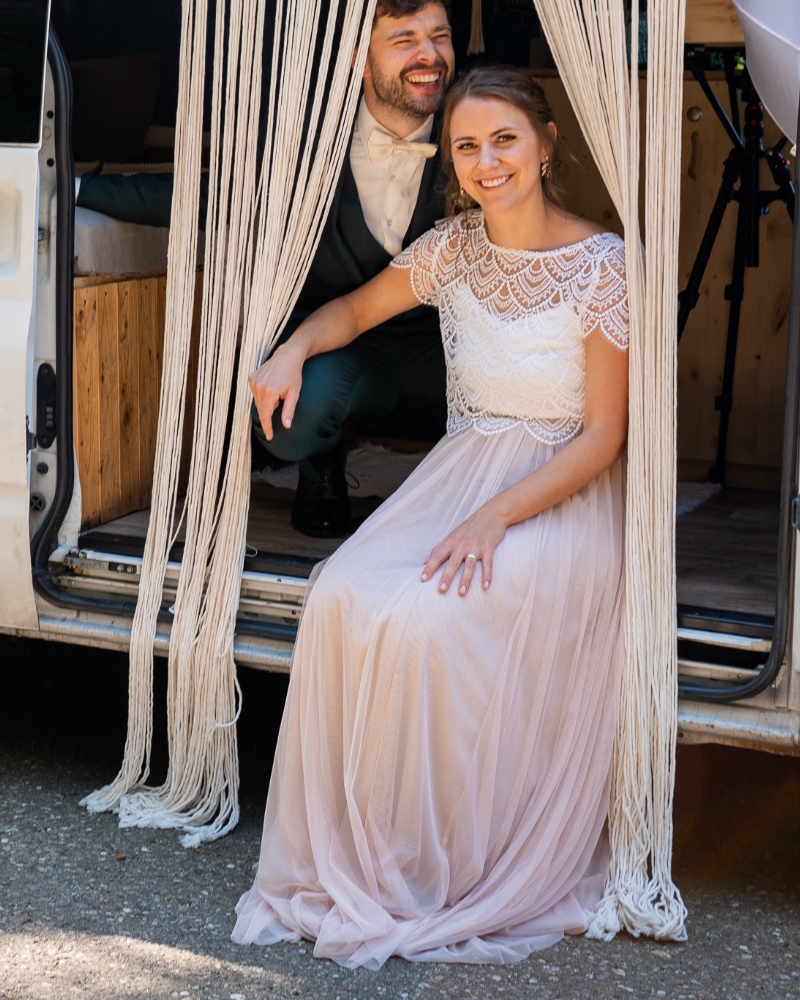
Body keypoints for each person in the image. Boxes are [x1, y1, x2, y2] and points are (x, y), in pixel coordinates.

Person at [233, 65, 629, 969]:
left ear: (544, 145)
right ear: (451, 163)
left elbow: (604, 438)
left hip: (555, 488)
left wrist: (495, 520)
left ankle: (440, 863)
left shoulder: (606, 265)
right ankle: (367, 854)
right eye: (466, 146)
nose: (488, 161)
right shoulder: (452, 249)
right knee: (339, 594)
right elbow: (352, 310)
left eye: (505, 140)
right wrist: (291, 348)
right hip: (460, 470)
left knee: (427, 622)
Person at [77, 0, 456, 537]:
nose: (428, 55)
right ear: (358, 56)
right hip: (337, 345)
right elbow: (201, 198)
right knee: (290, 421)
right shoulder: (306, 141)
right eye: (404, 39)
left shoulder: (474, 128)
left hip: (441, 348)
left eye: (440, 36)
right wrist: (74, 188)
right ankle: (319, 465)